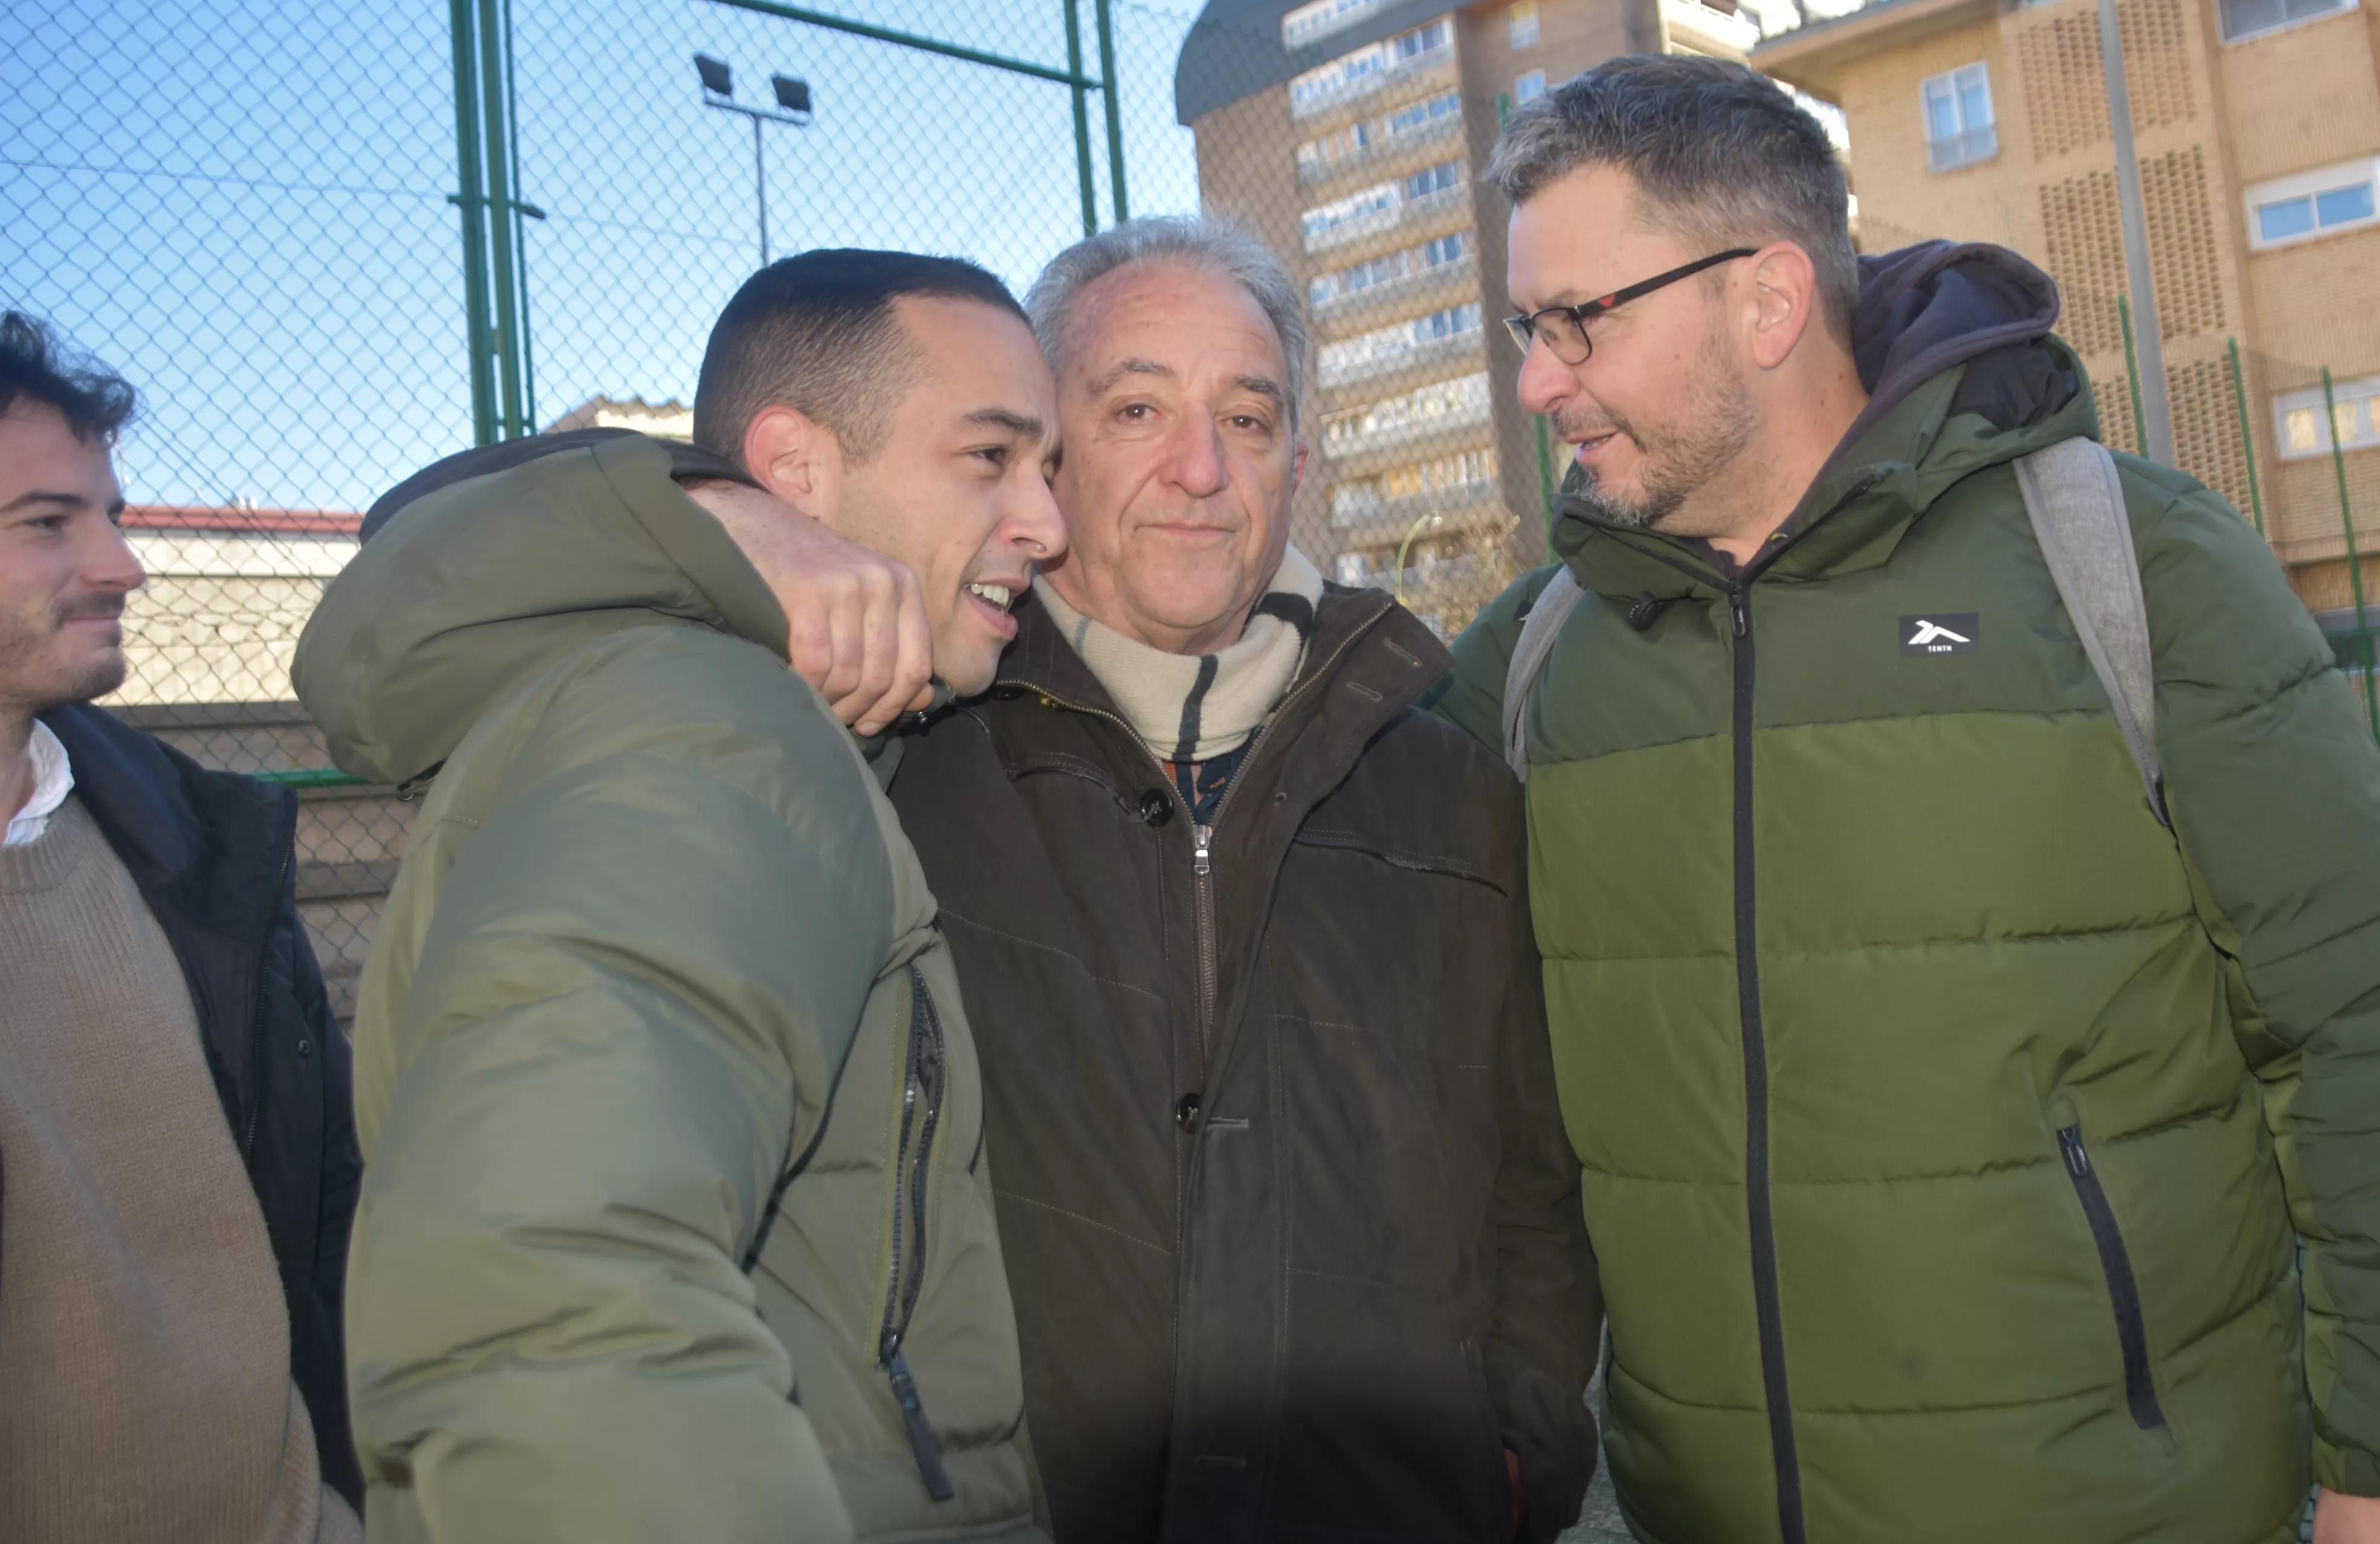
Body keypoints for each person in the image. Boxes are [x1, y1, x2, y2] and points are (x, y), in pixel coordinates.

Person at [1418, 56, 2380, 1544]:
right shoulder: (1529, 659)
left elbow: (2371, 1027)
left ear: (1766, 300)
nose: (1537, 380)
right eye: (1526, 328)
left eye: (1578, 320)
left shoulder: (2131, 566)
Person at [350, 218, 1605, 1544]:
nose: (1200, 469)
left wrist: (1516, 1453)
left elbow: (1534, 1180)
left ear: (1297, 462)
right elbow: (421, 587)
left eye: (1247, 419)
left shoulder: (1448, 782)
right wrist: (718, 514)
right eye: (1135, 411)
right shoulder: (890, 729)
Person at [294, 252, 1063, 1543]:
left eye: (1046, 469)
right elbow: (542, 1288)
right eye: (989, 457)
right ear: (792, 469)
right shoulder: (712, 726)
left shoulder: (772, 722)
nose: (1045, 521)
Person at [0, 311, 363, 1543]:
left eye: (111, 514)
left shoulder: (198, 849)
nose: (124, 565)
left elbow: (332, 1222)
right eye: (48, 523)